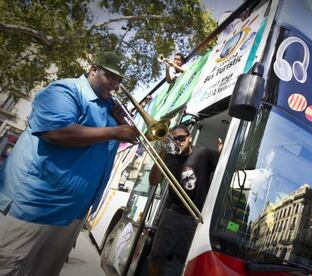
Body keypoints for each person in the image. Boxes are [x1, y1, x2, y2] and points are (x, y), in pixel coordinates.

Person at [0, 51, 139, 276]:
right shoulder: (66, 90)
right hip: (35, 206)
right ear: (93, 70)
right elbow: (56, 132)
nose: (114, 84)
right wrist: (115, 131)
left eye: (119, 80)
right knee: (10, 268)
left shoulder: (110, 110)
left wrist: (120, 122)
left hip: (72, 215)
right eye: (109, 76)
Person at [147, 125, 223, 276]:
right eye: (173, 139)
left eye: (181, 138)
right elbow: (153, 181)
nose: (177, 142)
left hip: (194, 217)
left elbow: (224, 167)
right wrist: (162, 152)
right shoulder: (170, 157)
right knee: (156, 256)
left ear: (190, 138)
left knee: (183, 261)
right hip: (172, 214)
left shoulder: (204, 153)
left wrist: (223, 152)